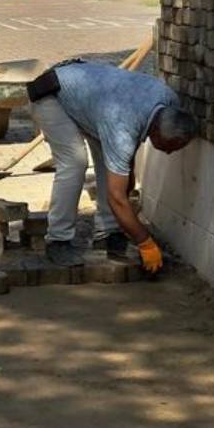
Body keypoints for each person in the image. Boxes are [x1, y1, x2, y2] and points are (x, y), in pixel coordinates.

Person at [27, 60, 197, 274]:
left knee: (108, 161)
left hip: (98, 101)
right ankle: (58, 240)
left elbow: (124, 166)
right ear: (157, 133)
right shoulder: (122, 132)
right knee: (75, 162)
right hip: (52, 96)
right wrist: (144, 241)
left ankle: (107, 232)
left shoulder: (169, 101)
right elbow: (117, 197)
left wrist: (127, 209)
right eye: (170, 147)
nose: (172, 152)